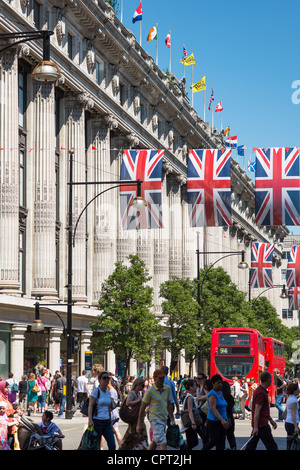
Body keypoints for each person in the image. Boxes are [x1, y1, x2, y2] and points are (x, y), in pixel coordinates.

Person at [136, 369, 174, 451]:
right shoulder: (150, 391)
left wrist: (172, 417)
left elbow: (169, 404)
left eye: (163, 377)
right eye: (160, 378)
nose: (162, 380)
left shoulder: (167, 389)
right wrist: (139, 423)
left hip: (164, 418)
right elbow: (142, 408)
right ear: (154, 378)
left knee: (155, 441)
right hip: (155, 419)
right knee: (163, 442)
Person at [245, 371, 278, 450]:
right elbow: (257, 410)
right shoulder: (261, 393)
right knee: (272, 446)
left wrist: (270, 420)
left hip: (260, 423)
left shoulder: (261, 391)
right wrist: (256, 427)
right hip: (261, 425)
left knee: (251, 446)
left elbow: (263, 410)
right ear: (268, 380)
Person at [88, 371, 116, 450]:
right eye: (104, 378)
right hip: (97, 421)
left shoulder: (108, 392)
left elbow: (109, 408)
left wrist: (110, 421)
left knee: (112, 445)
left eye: (108, 378)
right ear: (100, 380)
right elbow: (90, 405)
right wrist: (90, 420)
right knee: (96, 445)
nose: (106, 380)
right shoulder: (96, 391)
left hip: (107, 422)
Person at [119, 377, 148, 450]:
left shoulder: (138, 393)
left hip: (138, 419)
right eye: (142, 385)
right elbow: (128, 403)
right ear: (138, 384)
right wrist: (138, 401)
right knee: (130, 440)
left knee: (134, 439)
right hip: (135, 420)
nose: (143, 387)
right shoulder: (132, 393)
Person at [202, 374, 229, 451]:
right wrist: (222, 420)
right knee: (214, 441)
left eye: (221, 383)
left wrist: (226, 419)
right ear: (213, 383)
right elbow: (213, 409)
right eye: (218, 383)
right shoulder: (212, 394)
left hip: (223, 421)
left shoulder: (221, 393)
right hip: (214, 421)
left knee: (221, 443)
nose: (220, 384)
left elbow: (224, 407)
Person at [100, 375, 122, 449]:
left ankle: (101, 448)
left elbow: (109, 404)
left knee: (103, 432)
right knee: (116, 431)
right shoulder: (112, 390)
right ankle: (122, 447)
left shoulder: (111, 391)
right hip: (114, 413)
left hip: (111, 413)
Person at [180, 379, 200, 450]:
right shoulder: (189, 397)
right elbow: (190, 411)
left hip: (189, 423)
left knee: (193, 442)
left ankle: (183, 448)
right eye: (195, 385)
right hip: (189, 423)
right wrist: (193, 423)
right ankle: (182, 448)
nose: (196, 386)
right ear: (191, 387)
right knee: (191, 443)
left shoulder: (189, 396)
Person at [284, 382, 299, 450]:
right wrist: (296, 426)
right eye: (298, 389)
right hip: (292, 423)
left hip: (288, 422)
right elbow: (293, 414)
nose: (299, 390)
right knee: (295, 441)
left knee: (290, 442)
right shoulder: (294, 401)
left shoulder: (290, 398)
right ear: (294, 390)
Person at [222, 380, 237, 450]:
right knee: (230, 435)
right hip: (230, 417)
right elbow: (232, 408)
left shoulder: (221, 397)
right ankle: (233, 447)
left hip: (224, 417)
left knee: (222, 437)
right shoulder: (230, 397)